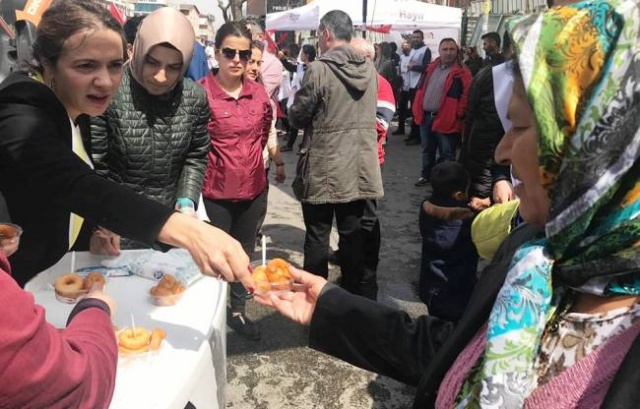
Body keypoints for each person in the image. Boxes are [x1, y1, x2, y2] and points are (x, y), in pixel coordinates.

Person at [256, 0, 640, 407]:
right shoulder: (535, 254)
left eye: (523, 127)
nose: (502, 154)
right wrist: (331, 308)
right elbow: (454, 351)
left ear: (604, 148)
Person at [0, 0, 253, 289]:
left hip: (55, 275)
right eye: (86, 65)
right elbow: (72, 183)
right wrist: (188, 230)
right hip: (16, 283)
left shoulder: (76, 103)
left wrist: (94, 228)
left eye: (115, 65)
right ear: (48, 63)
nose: (106, 82)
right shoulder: (20, 107)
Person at [90, 7, 210, 250]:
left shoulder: (194, 97)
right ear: (139, 51)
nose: (160, 76)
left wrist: (187, 200)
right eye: (152, 62)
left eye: (173, 67)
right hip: (117, 223)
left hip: (172, 225)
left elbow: (196, 155)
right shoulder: (109, 91)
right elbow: (96, 165)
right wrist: (100, 221)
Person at [288, 10, 383, 297]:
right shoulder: (369, 69)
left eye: (318, 34)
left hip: (323, 167)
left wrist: (293, 110)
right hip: (358, 167)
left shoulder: (319, 69)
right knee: (352, 237)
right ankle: (350, 301)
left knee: (317, 236)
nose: (318, 39)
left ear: (327, 34)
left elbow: (298, 116)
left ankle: (316, 301)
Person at [199, 22, 272, 340]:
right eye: (229, 52)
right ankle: (209, 315)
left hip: (253, 191)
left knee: (244, 255)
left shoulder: (259, 93)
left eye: (244, 53)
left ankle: (238, 310)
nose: (237, 59)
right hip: (215, 194)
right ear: (216, 53)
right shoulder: (200, 93)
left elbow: (265, 129)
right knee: (214, 260)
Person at [418, 162, 477, 321]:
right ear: (458, 195)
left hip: (429, 285)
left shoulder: (426, 207)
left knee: (435, 322)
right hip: (457, 289)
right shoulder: (468, 219)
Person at [412, 38, 472, 187]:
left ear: (457, 51)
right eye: (445, 49)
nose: (448, 52)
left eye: (452, 49)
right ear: (439, 51)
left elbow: (467, 94)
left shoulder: (462, 72)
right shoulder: (431, 68)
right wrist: (416, 108)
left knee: (447, 153)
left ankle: (446, 182)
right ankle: (426, 175)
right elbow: (421, 89)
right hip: (427, 116)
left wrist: (458, 113)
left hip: (447, 117)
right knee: (427, 150)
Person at [280, 44, 316, 152]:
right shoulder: (301, 67)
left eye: (302, 53)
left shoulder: (315, 67)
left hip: (310, 99)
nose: (301, 55)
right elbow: (291, 67)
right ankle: (292, 145)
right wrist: (282, 59)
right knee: (295, 123)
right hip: (300, 99)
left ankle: (304, 146)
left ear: (307, 54)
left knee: (308, 125)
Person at [404, 29, 432, 145]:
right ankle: (413, 133)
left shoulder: (426, 50)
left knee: (417, 111)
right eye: (414, 37)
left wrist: (413, 67)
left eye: (417, 37)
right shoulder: (413, 50)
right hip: (410, 84)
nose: (415, 39)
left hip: (419, 84)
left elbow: (427, 67)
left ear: (422, 38)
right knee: (412, 110)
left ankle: (418, 136)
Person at [393, 40, 412, 136]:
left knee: (413, 110)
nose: (405, 48)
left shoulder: (413, 57)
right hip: (403, 86)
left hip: (412, 86)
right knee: (401, 108)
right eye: (403, 47)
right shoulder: (401, 57)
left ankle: (413, 132)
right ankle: (401, 128)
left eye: (407, 46)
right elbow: (400, 70)